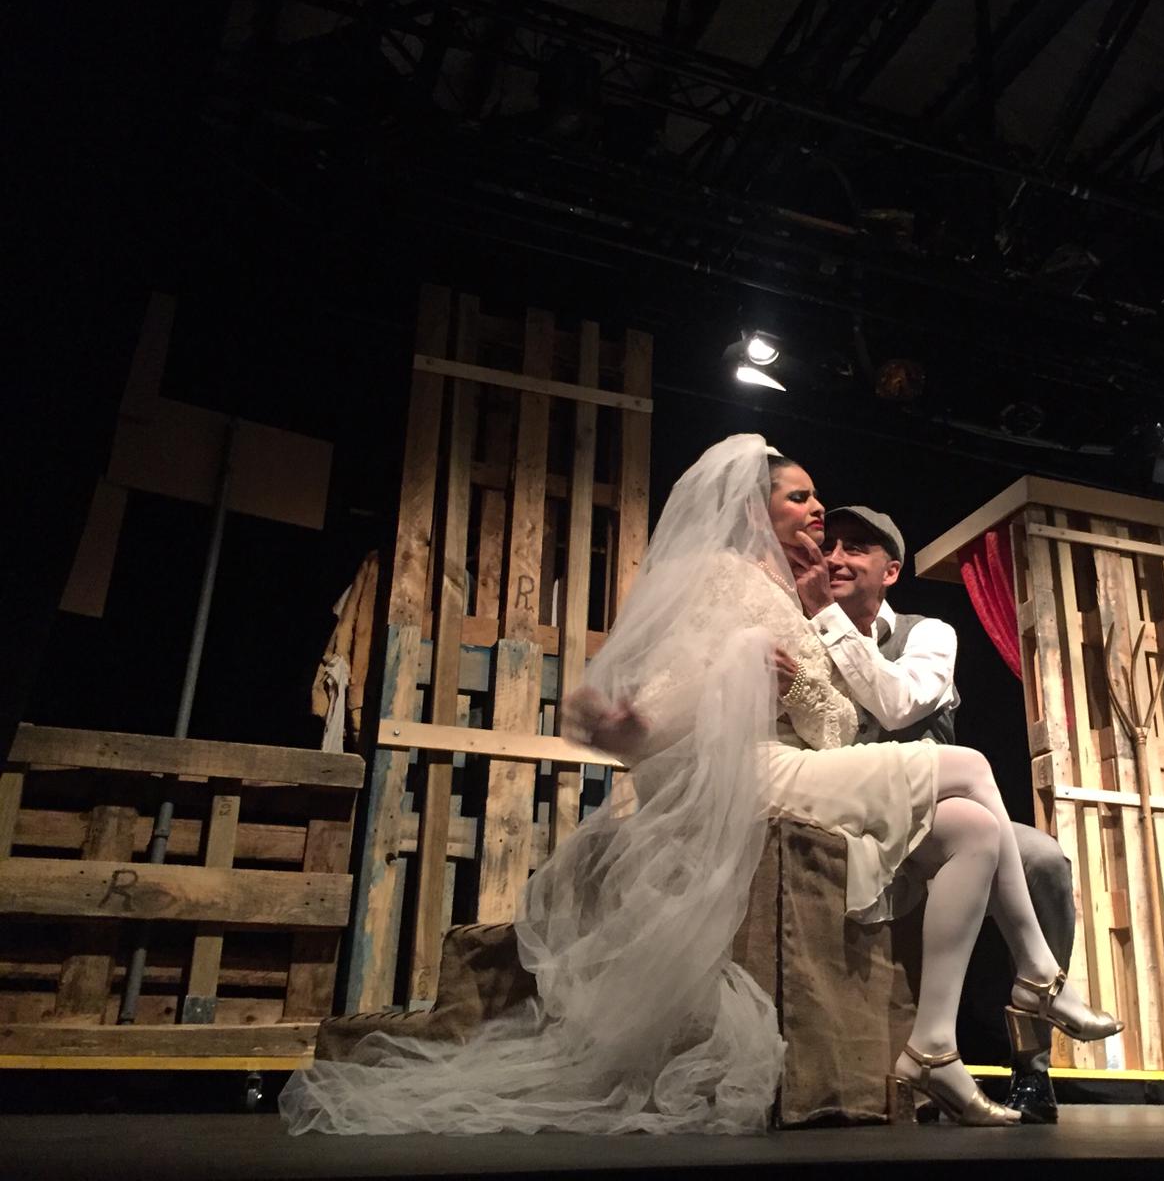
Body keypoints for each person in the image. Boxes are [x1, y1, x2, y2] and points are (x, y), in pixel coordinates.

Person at [279, 436, 1109, 1134]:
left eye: (823, 506)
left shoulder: (875, 617)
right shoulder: (725, 578)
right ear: (754, 507)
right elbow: (686, 687)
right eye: (801, 499)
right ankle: (1038, 978)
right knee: (974, 769)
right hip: (764, 774)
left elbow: (840, 719)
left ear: (892, 569)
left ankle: (935, 1046)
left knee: (978, 830)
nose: (819, 517)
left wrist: (796, 678)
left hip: (824, 767)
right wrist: (633, 725)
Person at [778, 503, 1098, 1123]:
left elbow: (899, 704)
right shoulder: (801, 627)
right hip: (853, 811)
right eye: (830, 544)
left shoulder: (927, 633)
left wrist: (828, 621)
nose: (835, 558)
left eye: (855, 549)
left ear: (891, 571)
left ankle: (1031, 1061)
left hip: (934, 812)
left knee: (1042, 860)